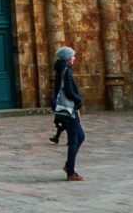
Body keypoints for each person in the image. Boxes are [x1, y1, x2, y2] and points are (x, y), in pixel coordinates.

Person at [53, 45, 85, 181]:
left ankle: (68, 166)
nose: (74, 58)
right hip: (69, 110)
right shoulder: (66, 71)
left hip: (64, 110)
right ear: (67, 58)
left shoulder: (61, 70)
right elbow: (68, 91)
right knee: (74, 140)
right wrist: (79, 100)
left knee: (80, 136)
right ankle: (70, 172)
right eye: (72, 56)